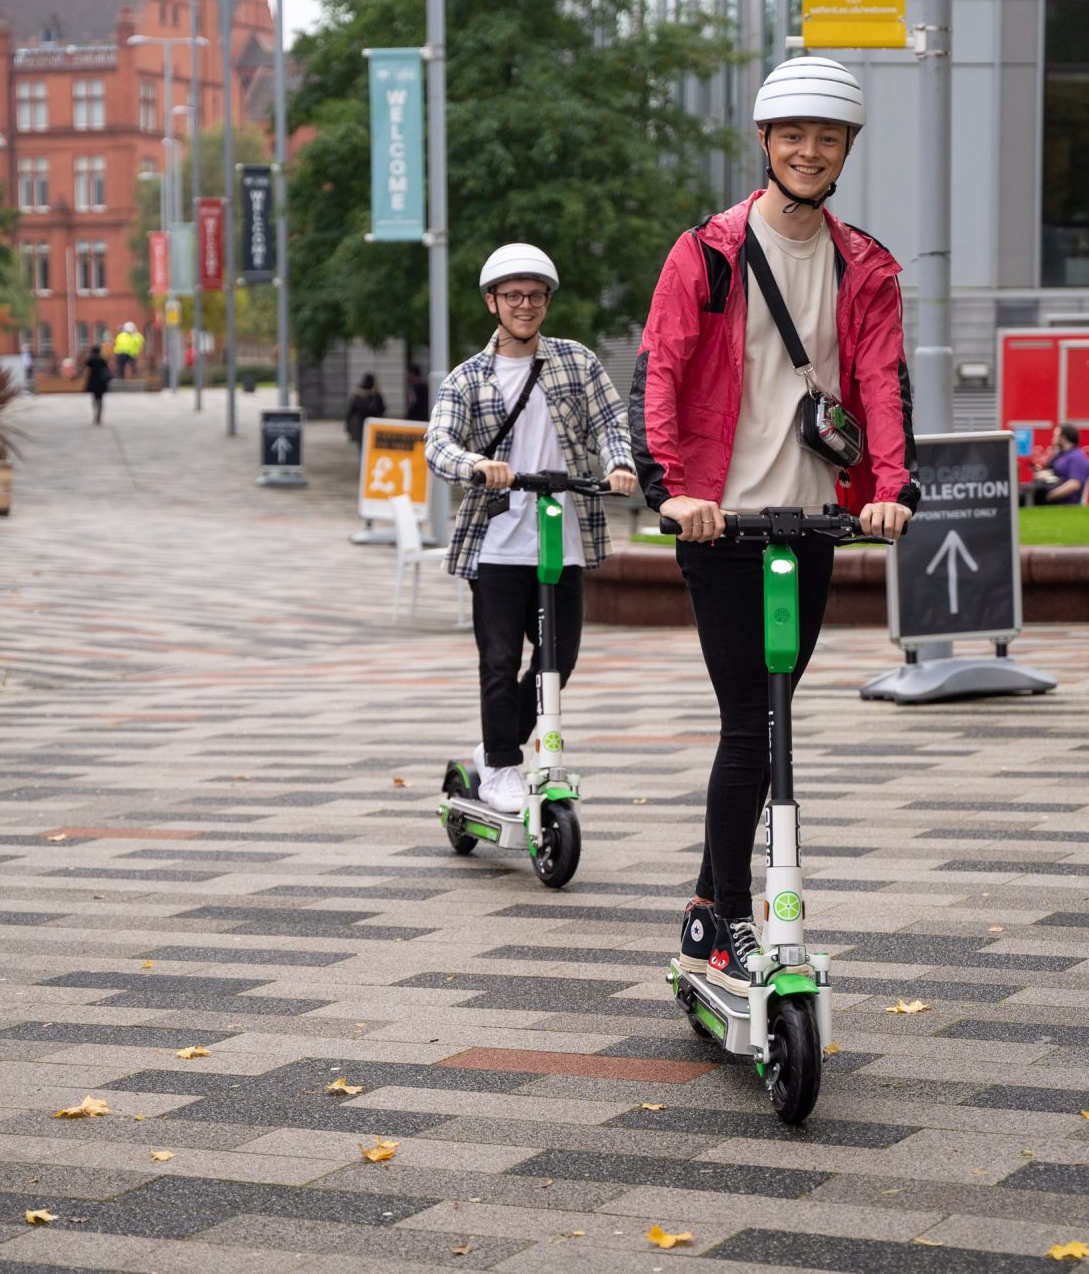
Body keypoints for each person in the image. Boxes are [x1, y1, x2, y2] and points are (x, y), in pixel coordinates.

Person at [633, 56, 919, 996]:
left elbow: (882, 383)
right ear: (764, 143)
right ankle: (721, 915)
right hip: (721, 524)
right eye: (792, 134)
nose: (808, 150)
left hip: (809, 523)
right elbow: (659, 371)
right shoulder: (706, 252)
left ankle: (714, 912)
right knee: (751, 723)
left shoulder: (864, 264)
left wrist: (890, 486)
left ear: (845, 151)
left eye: (825, 138)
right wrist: (669, 488)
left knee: (774, 718)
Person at [426, 244, 637, 813]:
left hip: (560, 541)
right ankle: (499, 768)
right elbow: (438, 445)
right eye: (513, 295)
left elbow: (612, 422)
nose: (525, 305)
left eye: (536, 295)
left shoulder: (576, 361)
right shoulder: (468, 378)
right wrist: (475, 465)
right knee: (499, 660)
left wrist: (619, 463)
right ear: (492, 302)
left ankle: (494, 746)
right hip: (496, 545)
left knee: (557, 660)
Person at [1021, 423, 1089, 505]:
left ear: (1063, 438)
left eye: (1055, 435)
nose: (1053, 439)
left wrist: (1049, 496)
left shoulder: (1077, 458)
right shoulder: (1060, 455)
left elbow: (1074, 484)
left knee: (1023, 500)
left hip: (1061, 502)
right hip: (1046, 493)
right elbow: (1053, 474)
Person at [345, 372, 386, 446]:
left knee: (362, 447)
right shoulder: (376, 395)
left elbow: (350, 413)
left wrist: (348, 428)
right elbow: (383, 409)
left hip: (362, 426)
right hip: (373, 426)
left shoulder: (358, 395)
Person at [83, 341, 112, 425]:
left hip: (93, 380)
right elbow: (107, 370)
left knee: (94, 398)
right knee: (101, 399)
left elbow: (83, 367)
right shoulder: (102, 359)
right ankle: (99, 413)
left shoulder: (91, 359)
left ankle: (95, 413)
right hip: (102, 381)